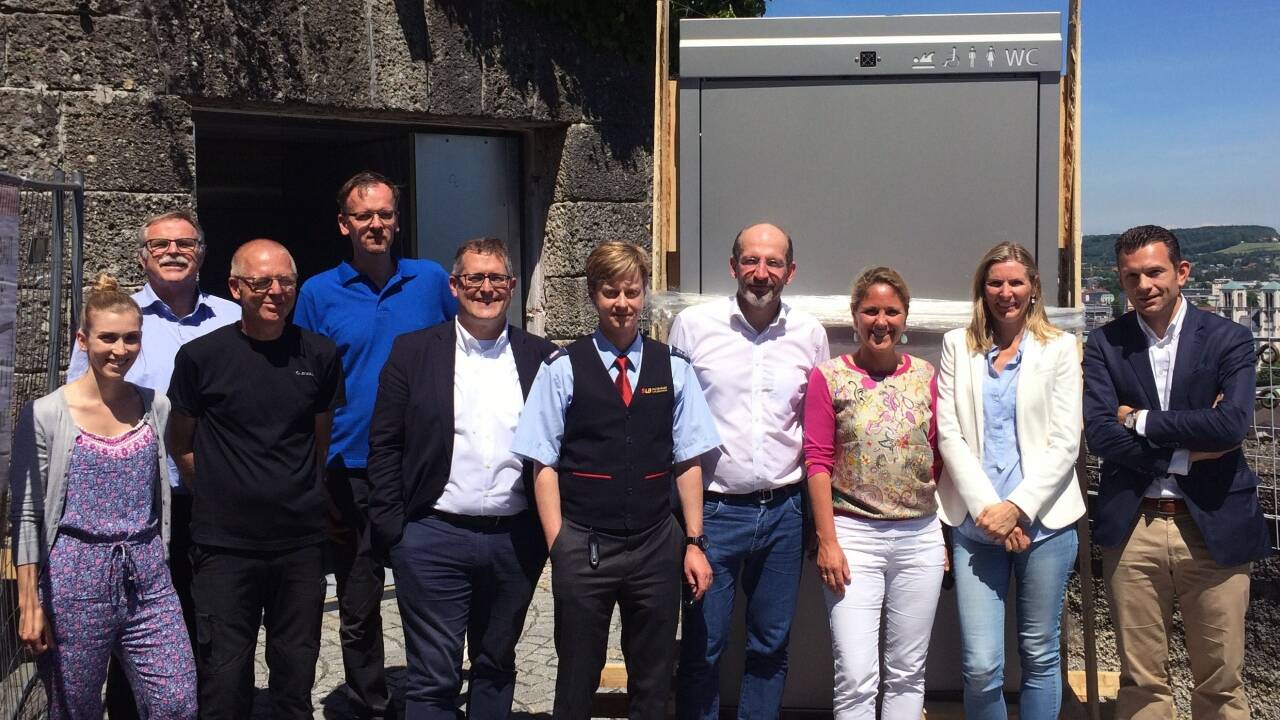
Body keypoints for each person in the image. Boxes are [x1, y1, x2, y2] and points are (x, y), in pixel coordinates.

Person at [511, 241, 719, 720]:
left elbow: (688, 461)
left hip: (654, 543)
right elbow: (543, 464)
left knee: (652, 677)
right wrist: (558, 543)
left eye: (631, 291)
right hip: (584, 544)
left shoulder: (675, 369)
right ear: (592, 295)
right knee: (577, 677)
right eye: (611, 292)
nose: (622, 303)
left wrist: (693, 540)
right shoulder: (563, 368)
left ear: (644, 292)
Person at [1083, 225, 1271, 720]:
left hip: (1213, 526)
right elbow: (1101, 434)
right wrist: (1183, 453)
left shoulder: (1229, 337)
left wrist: (1140, 420)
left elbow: (1231, 424)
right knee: (1142, 681)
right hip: (1135, 527)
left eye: (1154, 271)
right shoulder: (1105, 343)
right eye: (1131, 276)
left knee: (1222, 680)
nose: (1144, 284)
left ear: (1182, 272)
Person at [366, 237, 556, 718]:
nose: (486, 288)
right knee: (434, 674)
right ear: (455, 285)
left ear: (512, 287)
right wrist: (396, 531)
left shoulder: (543, 357)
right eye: (475, 278)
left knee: (496, 663)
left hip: (515, 538)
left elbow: (561, 447)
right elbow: (385, 443)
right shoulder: (413, 352)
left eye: (496, 278)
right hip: (433, 535)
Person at [294, 171, 456, 718]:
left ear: (397, 221)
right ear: (345, 224)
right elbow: (302, 380)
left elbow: (467, 349)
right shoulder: (317, 293)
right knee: (359, 601)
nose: (376, 224)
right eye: (364, 215)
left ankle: (431, 696)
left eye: (385, 214)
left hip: (421, 467)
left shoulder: (431, 280)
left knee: (427, 595)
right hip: (348, 466)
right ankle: (370, 702)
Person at [66, 210, 238, 720]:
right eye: (160, 244)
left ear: (202, 253)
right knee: (132, 619)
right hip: (140, 505)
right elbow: (80, 404)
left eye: (184, 243)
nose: (172, 251)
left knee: (212, 617)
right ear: (143, 256)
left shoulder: (230, 317)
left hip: (215, 496)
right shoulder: (119, 322)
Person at [167, 239, 345, 720]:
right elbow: (180, 440)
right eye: (260, 281)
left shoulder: (320, 354)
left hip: (299, 545)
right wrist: (218, 490)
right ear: (234, 287)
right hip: (225, 546)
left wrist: (297, 492)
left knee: (295, 672)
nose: (274, 291)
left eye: (285, 281)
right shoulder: (202, 357)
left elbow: (318, 440)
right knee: (224, 676)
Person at [10, 274, 197, 719]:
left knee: (176, 701)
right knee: (75, 707)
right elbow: (28, 513)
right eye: (108, 338)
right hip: (75, 579)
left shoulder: (157, 405)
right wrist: (29, 602)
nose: (120, 350)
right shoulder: (46, 413)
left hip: (148, 575)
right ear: (83, 340)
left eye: (131, 338)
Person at [669, 223, 829, 720]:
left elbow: (818, 428)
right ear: (733, 266)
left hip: (783, 512)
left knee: (770, 646)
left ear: (791, 271)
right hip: (713, 513)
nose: (762, 273)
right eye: (751, 261)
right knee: (703, 648)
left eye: (774, 262)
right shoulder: (693, 327)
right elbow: (672, 424)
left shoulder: (810, 335)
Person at [935, 242, 1085, 720]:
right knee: (981, 665)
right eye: (996, 282)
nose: (1006, 292)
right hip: (976, 525)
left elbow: (1066, 440)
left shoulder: (1060, 348)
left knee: (1040, 654)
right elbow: (948, 433)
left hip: (1046, 524)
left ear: (1033, 288)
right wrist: (991, 511)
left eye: (1016, 282)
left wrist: (1017, 507)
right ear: (983, 289)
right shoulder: (957, 345)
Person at [803, 266, 944, 720]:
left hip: (919, 538)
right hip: (853, 539)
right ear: (854, 315)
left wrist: (938, 528)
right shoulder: (829, 378)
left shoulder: (927, 377)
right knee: (856, 673)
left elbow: (939, 454)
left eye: (891, 311)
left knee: (907, 671)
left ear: (905, 318)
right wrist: (827, 541)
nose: (880, 321)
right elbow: (817, 461)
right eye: (870, 311)